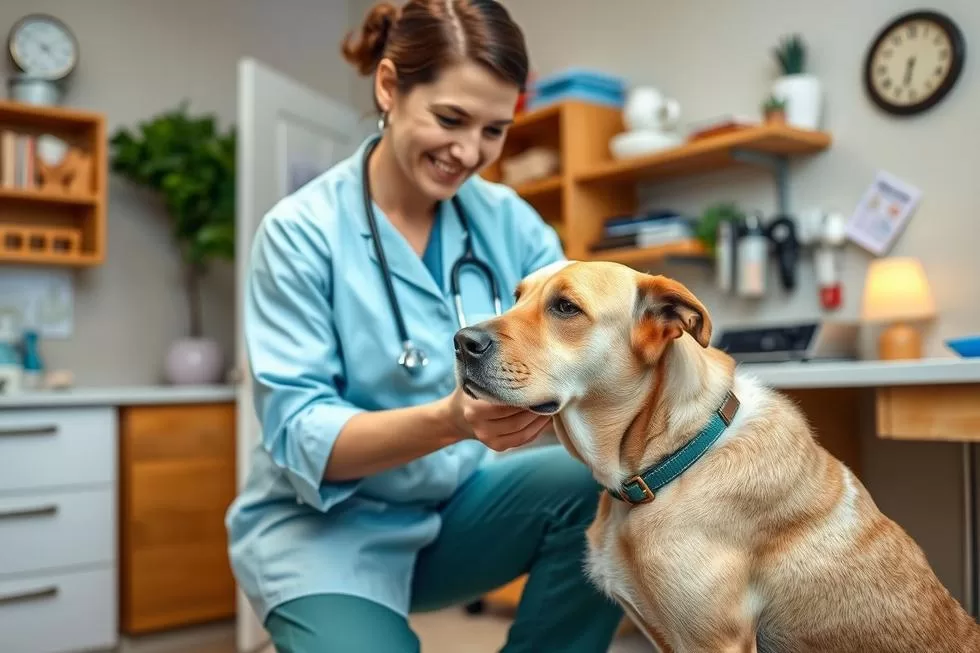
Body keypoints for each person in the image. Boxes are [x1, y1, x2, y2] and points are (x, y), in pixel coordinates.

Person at [225, 1, 624, 651]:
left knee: (603, 485)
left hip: (454, 509)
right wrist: (453, 419)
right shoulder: (300, 234)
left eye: (494, 130)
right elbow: (301, 433)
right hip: (324, 530)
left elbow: (580, 335)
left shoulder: (508, 222)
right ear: (389, 87)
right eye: (450, 118)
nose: (469, 152)